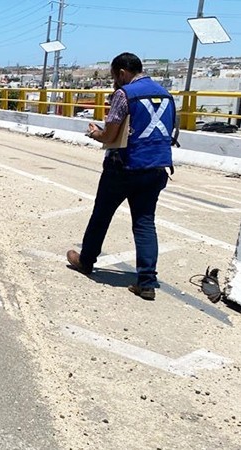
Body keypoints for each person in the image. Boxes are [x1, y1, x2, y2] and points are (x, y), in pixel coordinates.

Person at [66, 52, 175, 301]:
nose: (114, 81)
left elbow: (110, 135)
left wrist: (95, 133)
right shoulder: (165, 94)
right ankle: (146, 281)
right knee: (145, 223)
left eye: (115, 76)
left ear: (123, 73)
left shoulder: (124, 94)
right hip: (156, 168)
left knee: (101, 215)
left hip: (123, 167)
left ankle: (86, 261)